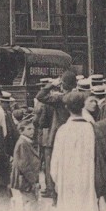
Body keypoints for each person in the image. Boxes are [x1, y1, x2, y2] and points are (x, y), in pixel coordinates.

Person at [50, 90, 106, 211]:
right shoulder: (92, 129)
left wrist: (58, 183)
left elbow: (54, 165)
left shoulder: (62, 131)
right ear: (83, 105)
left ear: (66, 107)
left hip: (67, 184)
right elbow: (102, 158)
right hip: (88, 184)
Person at [35, 70, 78, 198]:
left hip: (58, 134)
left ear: (62, 84)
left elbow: (40, 96)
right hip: (75, 133)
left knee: (56, 164)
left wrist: (52, 84)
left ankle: (55, 194)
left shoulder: (59, 98)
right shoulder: (78, 97)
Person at [10, 110, 42, 211]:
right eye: (29, 129)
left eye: (32, 128)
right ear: (21, 131)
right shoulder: (23, 144)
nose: (32, 131)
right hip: (25, 180)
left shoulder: (26, 142)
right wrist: (33, 181)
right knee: (31, 204)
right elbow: (24, 165)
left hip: (26, 180)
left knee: (29, 204)